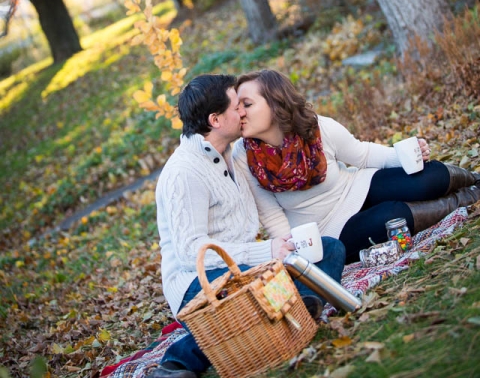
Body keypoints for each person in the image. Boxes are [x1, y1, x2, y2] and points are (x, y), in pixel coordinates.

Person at [148, 74, 346, 378]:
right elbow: (190, 253)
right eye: (236, 107)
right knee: (249, 298)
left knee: (328, 249)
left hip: (244, 271)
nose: (243, 111)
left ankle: (280, 316)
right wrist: (265, 251)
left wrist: (287, 247)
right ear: (215, 120)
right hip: (197, 283)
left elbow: (265, 209)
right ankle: (179, 362)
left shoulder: (235, 153)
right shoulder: (183, 173)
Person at [233, 69, 480, 265]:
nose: (239, 113)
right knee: (394, 217)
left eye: (247, 104)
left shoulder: (314, 127)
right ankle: (468, 197)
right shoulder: (243, 156)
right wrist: (295, 252)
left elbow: (363, 155)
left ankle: (474, 178)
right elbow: (272, 216)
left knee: (429, 178)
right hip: (329, 229)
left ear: (275, 103)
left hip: (356, 187)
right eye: (237, 106)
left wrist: (403, 155)